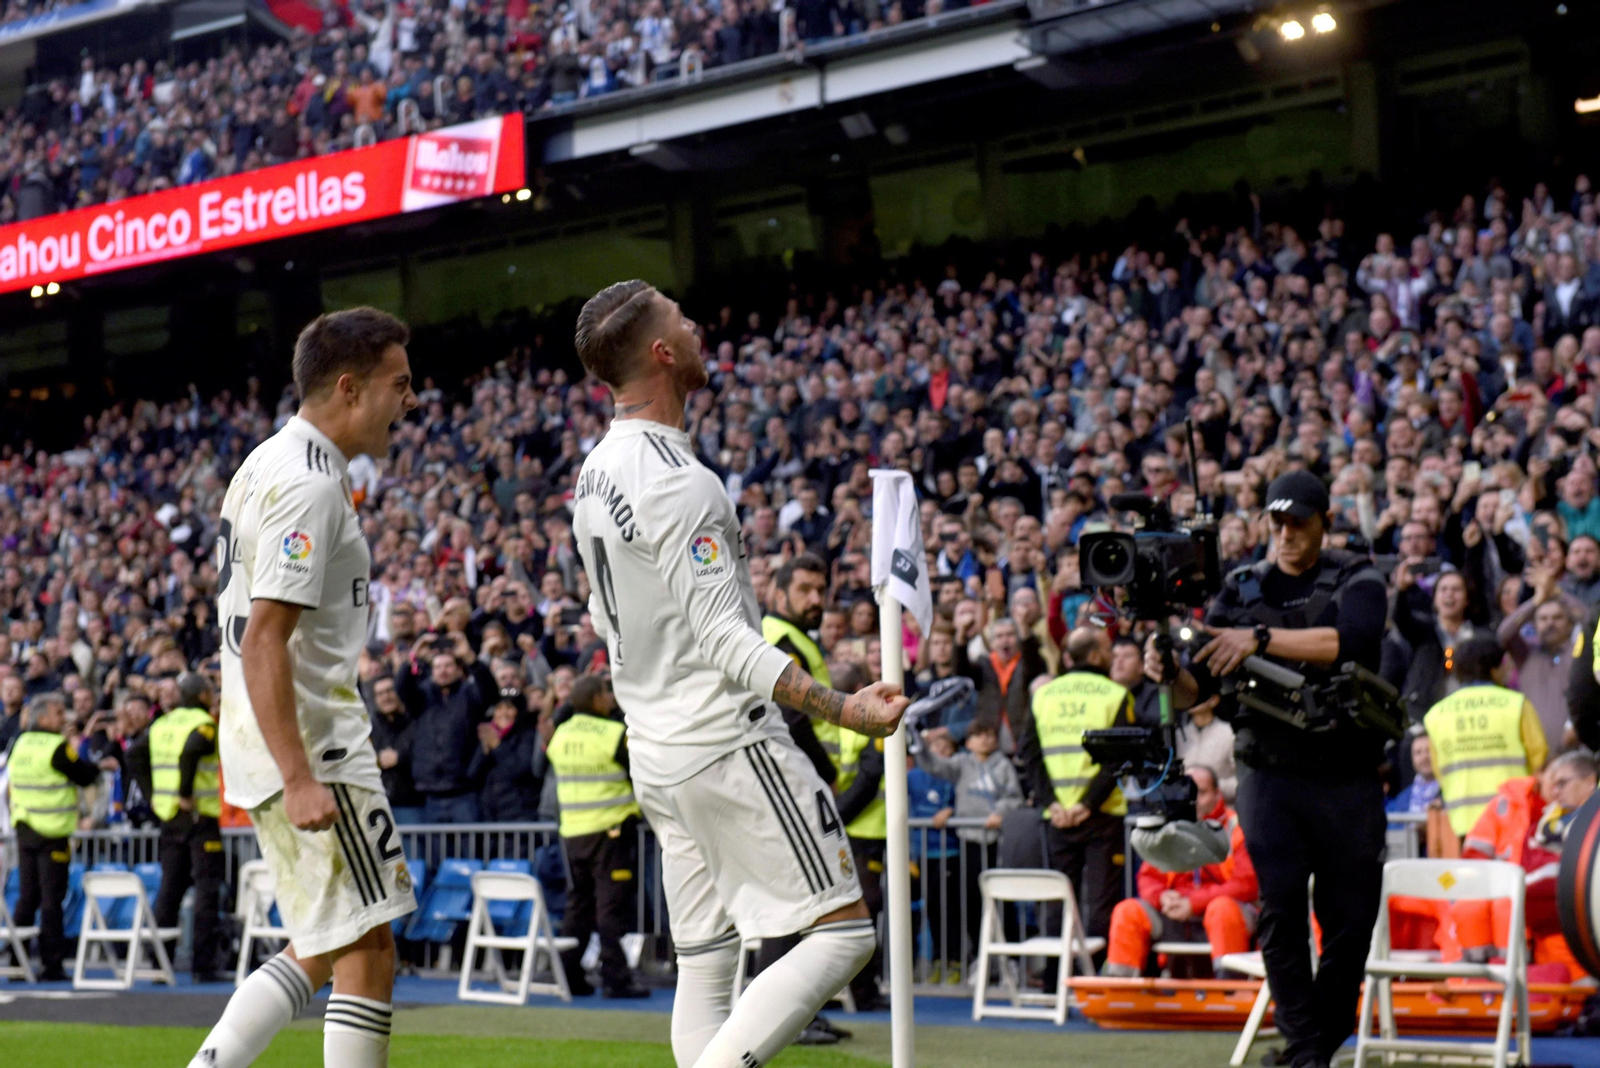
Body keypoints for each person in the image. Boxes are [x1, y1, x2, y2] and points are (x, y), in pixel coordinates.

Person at [568, 280, 907, 1068]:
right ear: (662, 352)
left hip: (656, 750)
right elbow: (725, 639)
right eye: (682, 320)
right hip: (725, 742)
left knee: (707, 959)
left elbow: (600, 616)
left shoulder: (595, 472)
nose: (696, 326)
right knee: (845, 930)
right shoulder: (681, 482)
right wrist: (841, 709)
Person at [190, 308, 419, 1068]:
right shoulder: (309, 486)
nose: (410, 400)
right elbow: (264, 637)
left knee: (325, 943)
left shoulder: (265, 462)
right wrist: (298, 775)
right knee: (368, 949)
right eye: (400, 383)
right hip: (311, 743)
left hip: (273, 734)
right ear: (350, 389)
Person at [1148, 470, 1390, 1068]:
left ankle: (1313, 1044)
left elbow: (1354, 640)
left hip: (1346, 773)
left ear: (1324, 522)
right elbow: (1194, 688)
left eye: (1298, 523)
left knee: (1351, 920)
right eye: (1275, 522)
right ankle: (1306, 1052)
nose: (1285, 534)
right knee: (1280, 910)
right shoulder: (1240, 587)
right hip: (1270, 772)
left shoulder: (1357, 576)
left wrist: (1258, 638)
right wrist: (1168, 674)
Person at [1021, 627, 1134, 947]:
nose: (1113, 656)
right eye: (1110, 650)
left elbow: (1028, 754)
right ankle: (1093, 986)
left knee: (1058, 903)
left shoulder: (1043, 694)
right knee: (1101, 903)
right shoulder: (1116, 694)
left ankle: (1054, 982)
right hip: (1101, 816)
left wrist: (1052, 803)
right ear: (1096, 656)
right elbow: (1118, 757)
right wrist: (1087, 804)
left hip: (1057, 816)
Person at [1103, 765, 1257, 977]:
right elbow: (1148, 878)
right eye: (1188, 793)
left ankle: (1229, 989)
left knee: (1222, 909)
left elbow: (1246, 885)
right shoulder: (1167, 829)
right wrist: (1162, 897)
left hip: (1227, 914)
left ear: (1217, 794)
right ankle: (1119, 992)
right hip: (1174, 915)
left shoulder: (1236, 827)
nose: (1194, 799)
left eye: (1201, 792)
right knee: (1127, 911)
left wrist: (1193, 903)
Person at [1450, 749, 1598, 970]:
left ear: (1590, 781)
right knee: (1472, 909)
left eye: (1562, 782)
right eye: (1553, 779)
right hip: (1525, 904)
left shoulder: (1572, 820)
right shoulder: (1539, 817)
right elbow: (1475, 856)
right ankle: (1487, 978)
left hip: (1563, 915)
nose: (1556, 790)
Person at [547, 676, 647, 998]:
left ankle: (569, 975)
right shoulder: (613, 734)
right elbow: (640, 775)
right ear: (595, 699)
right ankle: (616, 978)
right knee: (610, 906)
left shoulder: (560, 735)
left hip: (573, 832)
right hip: (610, 831)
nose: (611, 697)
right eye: (606, 692)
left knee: (579, 906)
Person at [6, 692, 104, 981]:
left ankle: (17, 959)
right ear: (44, 717)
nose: (65, 718)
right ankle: (51, 964)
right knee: (51, 899)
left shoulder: (20, 743)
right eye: (59, 713)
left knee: (27, 896)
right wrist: (97, 764)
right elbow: (85, 775)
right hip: (52, 832)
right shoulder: (57, 747)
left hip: (24, 828)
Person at [915, 715, 1023, 970]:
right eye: (978, 735)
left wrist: (1001, 812)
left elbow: (1015, 797)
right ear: (969, 742)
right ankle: (980, 958)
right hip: (968, 843)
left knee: (1003, 901)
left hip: (997, 843)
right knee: (972, 901)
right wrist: (918, 746)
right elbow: (935, 766)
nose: (985, 739)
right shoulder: (961, 763)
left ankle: (1012, 959)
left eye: (989, 735)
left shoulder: (1003, 766)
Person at [1423, 635, 1548, 839]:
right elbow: (1539, 757)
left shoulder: (1436, 714)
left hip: (1464, 822)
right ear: (1494, 669)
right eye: (1505, 665)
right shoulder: (1515, 705)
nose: (1508, 670)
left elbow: (1439, 770)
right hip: (1513, 816)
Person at [151, 671, 227, 983]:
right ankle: (203, 966)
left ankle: (159, 964)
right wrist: (184, 793)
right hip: (199, 818)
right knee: (207, 890)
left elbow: (134, 755)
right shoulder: (203, 723)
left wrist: (152, 793)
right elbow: (192, 750)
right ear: (204, 696)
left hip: (169, 818)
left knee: (169, 890)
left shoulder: (161, 724)